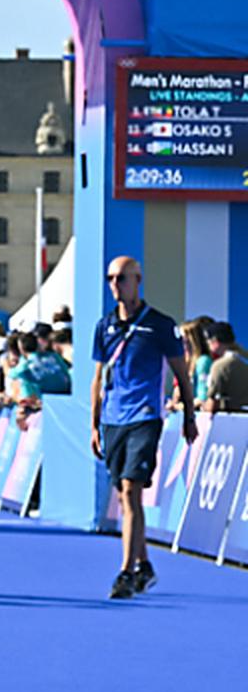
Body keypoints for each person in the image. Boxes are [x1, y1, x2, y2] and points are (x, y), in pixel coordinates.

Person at [91, 255, 197, 600]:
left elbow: (182, 373)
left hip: (145, 415)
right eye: (110, 278)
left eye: (122, 278)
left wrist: (190, 418)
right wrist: (94, 424)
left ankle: (125, 571)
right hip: (114, 418)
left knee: (131, 487)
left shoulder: (160, 325)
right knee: (123, 496)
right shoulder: (104, 326)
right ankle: (145, 564)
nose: (115, 285)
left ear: (138, 280)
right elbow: (98, 378)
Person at [205, 322, 246, 414]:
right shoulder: (244, 359)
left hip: (230, 421)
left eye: (208, 341)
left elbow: (212, 403)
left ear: (215, 342)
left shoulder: (220, 366)